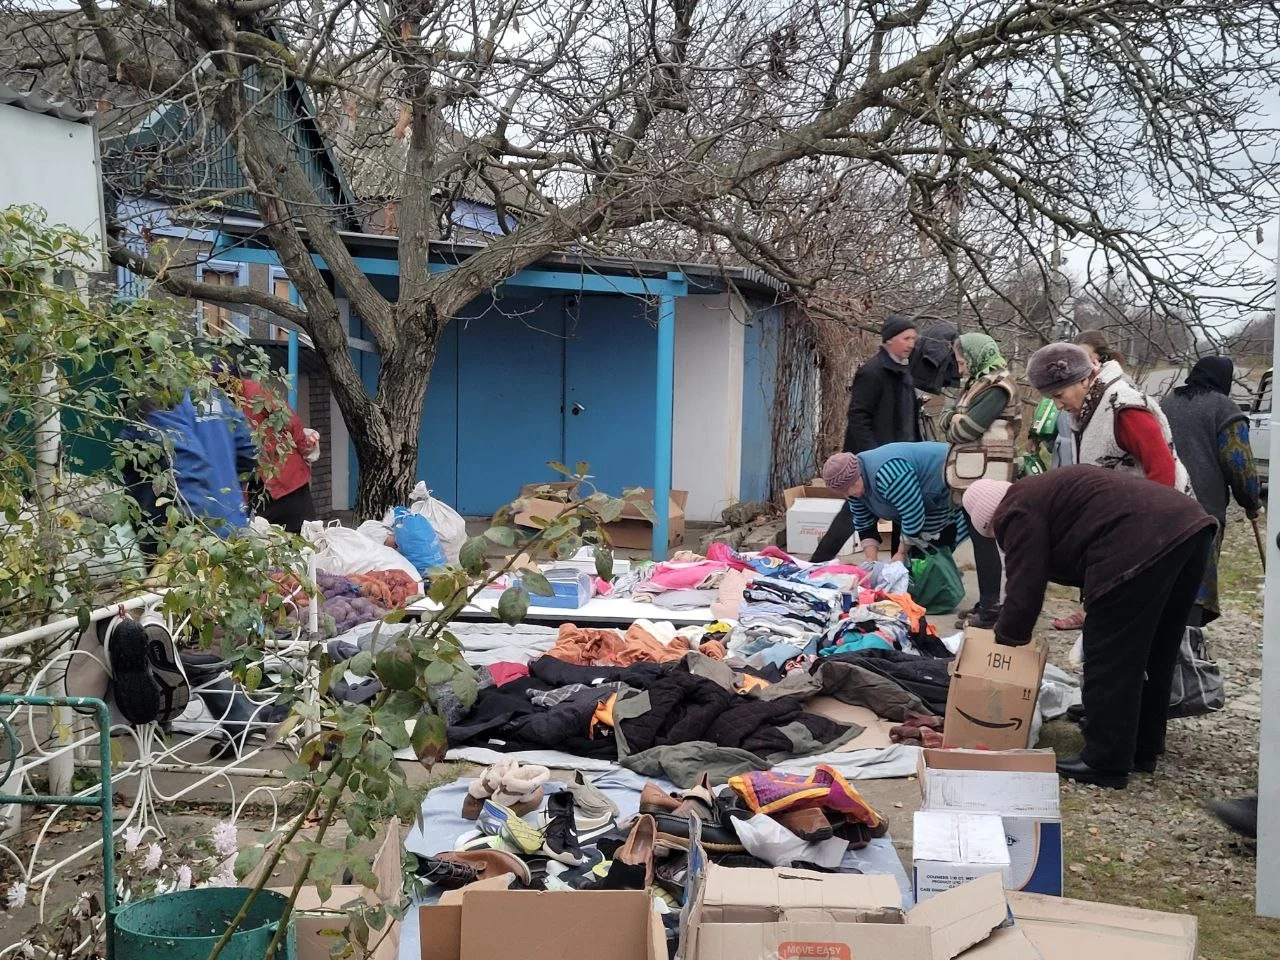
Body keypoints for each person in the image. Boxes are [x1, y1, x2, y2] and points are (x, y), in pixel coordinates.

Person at [963, 469, 1215, 789]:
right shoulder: (1039, 494)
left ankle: (1106, 760)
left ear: (990, 520)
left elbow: (1025, 583)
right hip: (1190, 526)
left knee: (1108, 653)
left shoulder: (1016, 509)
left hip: (1140, 539)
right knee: (1157, 649)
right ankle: (1144, 746)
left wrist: (1006, 641)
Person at [1161, 356, 1263, 626]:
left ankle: (1162, 647)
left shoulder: (1166, 404)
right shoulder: (1224, 409)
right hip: (1202, 513)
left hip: (1160, 505)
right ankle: (1187, 648)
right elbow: (1238, 463)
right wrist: (1251, 502)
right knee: (1195, 584)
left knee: (1163, 579)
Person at [811, 315, 920, 562]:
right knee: (852, 514)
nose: (911, 343)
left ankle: (898, 573)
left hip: (901, 458)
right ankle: (815, 565)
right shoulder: (872, 372)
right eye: (906, 338)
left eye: (914, 338)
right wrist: (874, 458)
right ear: (890, 340)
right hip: (869, 462)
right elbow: (858, 416)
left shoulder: (904, 372)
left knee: (901, 514)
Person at [939, 333, 1019, 628]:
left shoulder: (997, 388)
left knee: (985, 540)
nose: (960, 368)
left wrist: (957, 420)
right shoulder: (979, 384)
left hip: (988, 475)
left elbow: (964, 430)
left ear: (975, 357)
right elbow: (946, 419)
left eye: (962, 361)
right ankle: (987, 600)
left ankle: (990, 609)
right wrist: (954, 418)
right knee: (979, 540)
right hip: (975, 473)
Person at [120, 387, 258, 554]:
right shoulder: (210, 393)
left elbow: (184, 468)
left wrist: (194, 536)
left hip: (190, 545)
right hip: (233, 529)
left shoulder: (157, 399)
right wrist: (225, 491)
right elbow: (249, 450)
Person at [820, 441, 968, 565]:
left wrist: (901, 553)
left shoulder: (887, 474)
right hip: (914, 498)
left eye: (849, 488)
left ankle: (939, 587)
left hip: (947, 476)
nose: (847, 495)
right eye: (842, 492)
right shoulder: (854, 489)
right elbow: (864, 523)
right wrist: (871, 561)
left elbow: (913, 514)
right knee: (906, 553)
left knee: (926, 547)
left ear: (858, 476)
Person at [236, 375, 320, 533]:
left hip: (282, 474)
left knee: (302, 535)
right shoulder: (230, 400)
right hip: (266, 478)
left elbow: (288, 420)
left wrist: (304, 445)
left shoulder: (254, 391)